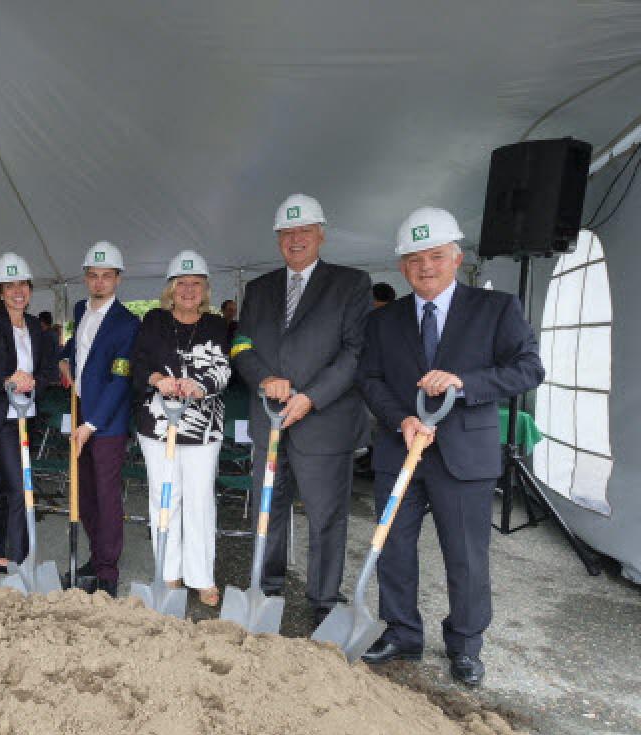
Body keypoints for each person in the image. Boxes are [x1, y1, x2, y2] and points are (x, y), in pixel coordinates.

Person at [358, 207, 543, 687]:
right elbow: (370, 379)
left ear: (456, 258)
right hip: (401, 451)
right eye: (415, 259)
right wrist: (400, 418)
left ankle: (465, 644)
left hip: (464, 457)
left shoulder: (496, 309)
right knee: (393, 549)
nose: (426, 267)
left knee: (465, 555)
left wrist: (464, 383)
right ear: (401, 267)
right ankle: (401, 632)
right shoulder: (383, 321)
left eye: (436, 256)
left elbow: (527, 369)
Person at [231, 194, 371, 626]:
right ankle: (267, 586)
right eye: (287, 233)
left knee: (326, 516)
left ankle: (323, 600)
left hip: (323, 421)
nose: (295, 240)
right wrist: (262, 379)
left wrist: (310, 397)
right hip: (269, 420)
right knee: (267, 509)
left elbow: (355, 351)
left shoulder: (351, 284)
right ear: (278, 239)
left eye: (303, 231)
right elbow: (241, 345)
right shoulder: (259, 289)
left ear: (320, 235)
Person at [130, 252, 231, 606]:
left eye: (196, 284)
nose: (188, 290)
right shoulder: (154, 320)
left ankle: (202, 577)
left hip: (203, 427)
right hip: (158, 424)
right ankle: (168, 573)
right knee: (165, 497)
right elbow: (138, 361)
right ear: (171, 289)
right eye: (181, 283)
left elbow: (223, 367)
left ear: (205, 289)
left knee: (200, 499)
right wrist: (158, 378)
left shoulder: (217, 324)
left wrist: (199, 385)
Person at [58, 241, 141, 597]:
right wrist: (64, 360)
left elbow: (120, 380)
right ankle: (95, 558)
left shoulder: (128, 323)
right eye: (93, 276)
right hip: (80, 415)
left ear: (118, 280)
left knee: (107, 497)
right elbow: (77, 348)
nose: (99, 282)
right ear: (86, 278)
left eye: (107, 277)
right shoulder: (80, 309)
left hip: (105, 425)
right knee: (86, 493)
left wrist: (91, 426)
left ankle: (108, 572)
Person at [0, 254, 57, 571]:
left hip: (26, 416)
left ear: (30, 289)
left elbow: (47, 371)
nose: (18, 290)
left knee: (2, 484)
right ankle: (21, 560)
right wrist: (6, 381)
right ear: (0, 292)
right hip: (1, 418)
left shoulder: (35, 326)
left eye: (23, 284)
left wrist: (36, 382)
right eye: (10, 285)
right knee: (20, 486)